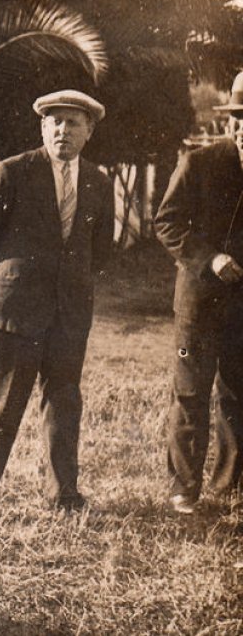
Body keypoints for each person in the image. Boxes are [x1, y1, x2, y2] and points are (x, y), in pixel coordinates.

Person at [0, 90, 114, 514]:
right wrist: (9, 285)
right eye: (55, 122)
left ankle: (64, 497)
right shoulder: (13, 172)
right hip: (15, 312)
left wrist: (68, 285)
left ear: (89, 131)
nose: (63, 130)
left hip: (69, 312)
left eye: (73, 122)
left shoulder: (99, 182)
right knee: (1, 408)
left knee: (64, 402)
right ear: (43, 128)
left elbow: (101, 248)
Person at [153, 71, 243, 515]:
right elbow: (166, 223)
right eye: (239, 120)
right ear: (229, 123)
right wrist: (210, 259)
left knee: (238, 395)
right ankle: (184, 490)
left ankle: (227, 486)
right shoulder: (201, 163)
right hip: (199, 303)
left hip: (241, 309)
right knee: (190, 394)